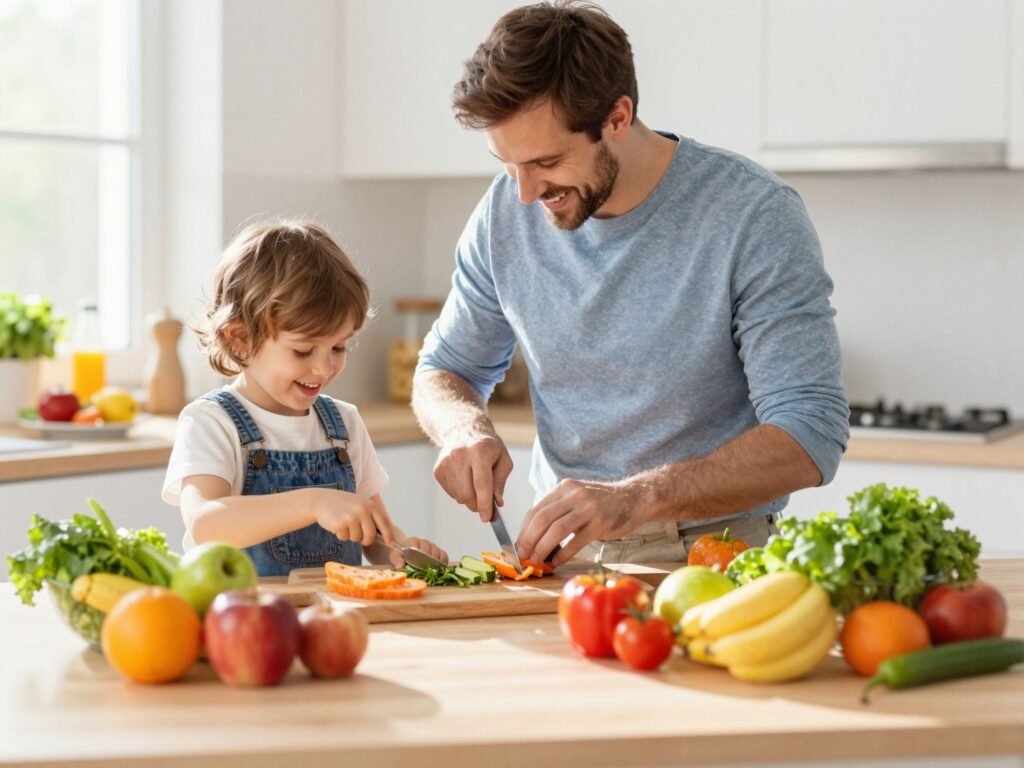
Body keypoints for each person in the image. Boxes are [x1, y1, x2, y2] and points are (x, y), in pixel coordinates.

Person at [412, 1, 849, 567]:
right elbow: (445, 368)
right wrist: (462, 429)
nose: (524, 193)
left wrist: (636, 498)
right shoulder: (503, 214)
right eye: (507, 164)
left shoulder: (752, 214)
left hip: (713, 554)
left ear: (618, 117)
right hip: (558, 552)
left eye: (546, 161)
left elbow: (810, 431)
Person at [163, 220, 447, 576]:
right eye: (302, 351)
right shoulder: (211, 422)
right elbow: (206, 523)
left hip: (334, 609)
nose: (324, 368)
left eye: (338, 347)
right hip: (245, 609)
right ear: (241, 338)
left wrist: (401, 551)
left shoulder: (344, 424)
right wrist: (314, 503)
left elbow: (373, 535)